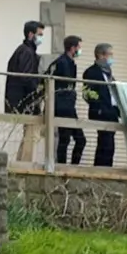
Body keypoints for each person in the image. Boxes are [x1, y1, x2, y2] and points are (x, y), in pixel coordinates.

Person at [4, 20, 45, 162]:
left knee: (29, 134)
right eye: (40, 34)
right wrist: (38, 91)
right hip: (26, 102)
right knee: (32, 135)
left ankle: (22, 161)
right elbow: (27, 78)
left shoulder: (23, 51)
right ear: (30, 34)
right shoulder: (27, 52)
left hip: (21, 100)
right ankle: (25, 163)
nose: (41, 38)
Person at [83, 42, 120, 168]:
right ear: (100, 55)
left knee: (110, 145)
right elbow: (88, 94)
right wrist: (99, 108)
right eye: (110, 55)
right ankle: (100, 169)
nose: (111, 58)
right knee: (105, 143)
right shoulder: (91, 72)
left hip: (112, 113)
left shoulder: (109, 74)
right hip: (102, 113)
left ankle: (106, 168)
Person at [49, 35, 84, 165]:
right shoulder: (61, 63)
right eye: (79, 47)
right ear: (72, 48)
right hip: (62, 106)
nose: (80, 50)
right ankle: (62, 166)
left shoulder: (70, 63)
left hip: (69, 106)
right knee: (65, 139)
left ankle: (72, 166)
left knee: (79, 139)